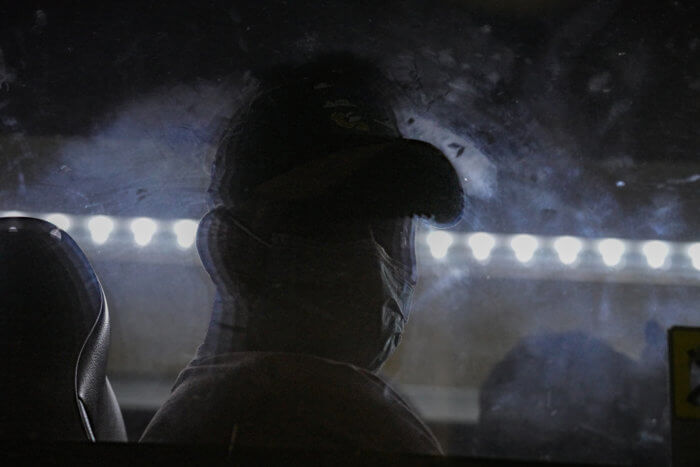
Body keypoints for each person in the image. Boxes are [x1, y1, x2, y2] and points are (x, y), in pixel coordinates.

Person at [140, 54, 464, 454]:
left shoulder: (208, 407)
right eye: (328, 222)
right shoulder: (319, 415)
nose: (371, 260)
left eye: (389, 228)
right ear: (231, 248)